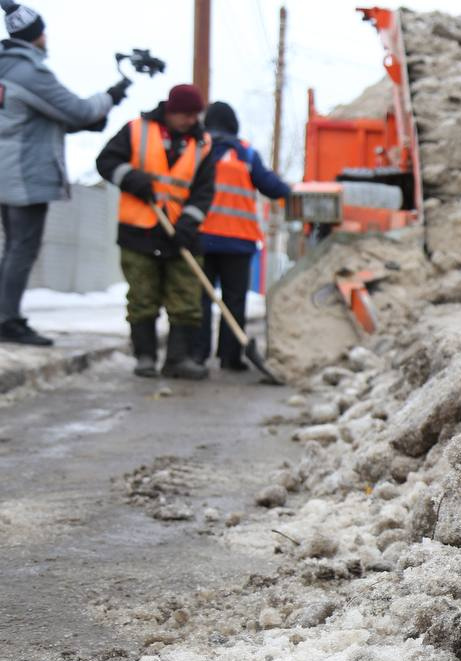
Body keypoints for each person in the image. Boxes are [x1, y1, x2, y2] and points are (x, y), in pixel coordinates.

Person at [0, 0, 128, 346]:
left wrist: (78, 124)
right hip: (26, 174)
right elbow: (78, 109)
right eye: (42, 32)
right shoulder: (28, 71)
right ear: (34, 35)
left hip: (8, 170)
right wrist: (113, 95)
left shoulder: (5, 69)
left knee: (13, 247)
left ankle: (5, 314)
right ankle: (7, 319)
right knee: (21, 248)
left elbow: (33, 120)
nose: (46, 38)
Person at [96, 83, 214, 380]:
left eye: (195, 115)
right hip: (140, 229)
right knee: (142, 297)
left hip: (180, 233)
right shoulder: (137, 130)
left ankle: (177, 359)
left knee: (186, 298)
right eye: (185, 115)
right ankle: (145, 356)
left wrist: (188, 222)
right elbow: (106, 161)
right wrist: (132, 179)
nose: (191, 121)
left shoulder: (202, 144)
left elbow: (204, 191)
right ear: (170, 111)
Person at [195, 102, 290, 371]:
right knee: (234, 300)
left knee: (200, 299)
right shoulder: (246, 153)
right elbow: (273, 188)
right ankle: (230, 356)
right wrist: (290, 189)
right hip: (238, 241)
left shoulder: (199, 150)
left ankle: (197, 355)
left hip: (201, 238)